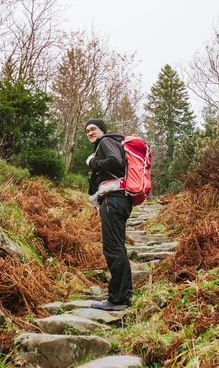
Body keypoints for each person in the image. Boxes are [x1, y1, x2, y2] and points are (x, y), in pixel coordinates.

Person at [84, 118, 133, 311]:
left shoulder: (105, 141)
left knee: (112, 248)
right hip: (118, 199)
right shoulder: (110, 142)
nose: (90, 132)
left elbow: (114, 161)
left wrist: (92, 161)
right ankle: (123, 295)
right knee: (118, 247)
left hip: (114, 200)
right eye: (87, 130)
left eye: (93, 128)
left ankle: (118, 298)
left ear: (102, 130)